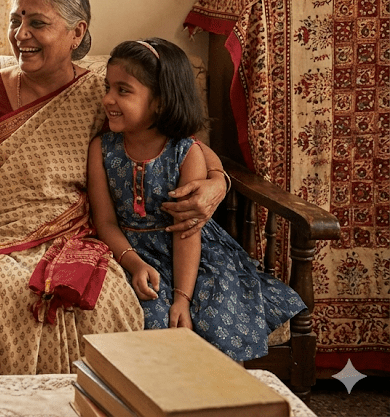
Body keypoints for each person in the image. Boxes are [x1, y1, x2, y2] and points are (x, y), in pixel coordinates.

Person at [0, 0, 230, 374]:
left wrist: (217, 181)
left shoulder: (101, 95)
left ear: (77, 32)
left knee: (103, 299)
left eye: (37, 22)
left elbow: (179, 143)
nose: (21, 34)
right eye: (15, 20)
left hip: (75, 236)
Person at [86, 38, 306, 361]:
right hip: (129, 252)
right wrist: (134, 263)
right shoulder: (101, 150)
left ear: (160, 101)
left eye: (123, 90)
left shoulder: (186, 154)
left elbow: (188, 231)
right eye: (108, 87)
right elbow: (104, 222)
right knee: (152, 318)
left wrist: (182, 298)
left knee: (211, 320)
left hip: (190, 254)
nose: (107, 99)